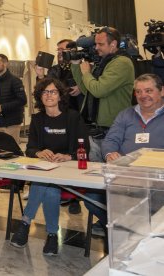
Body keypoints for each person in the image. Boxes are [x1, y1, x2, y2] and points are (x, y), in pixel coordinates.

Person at [10, 78, 89, 256]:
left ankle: (25, 223)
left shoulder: (73, 117)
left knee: (44, 184)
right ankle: (52, 235)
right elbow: (30, 148)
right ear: (40, 96)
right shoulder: (37, 119)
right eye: (45, 92)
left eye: (53, 91)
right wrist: (38, 152)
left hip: (68, 170)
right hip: (45, 170)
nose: (49, 95)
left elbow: (85, 149)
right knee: (49, 187)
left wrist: (68, 156)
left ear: (60, 95)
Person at [84, 73, 164, 233]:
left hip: (157, 180)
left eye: (148, 90)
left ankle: (139, 232)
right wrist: (109, 153)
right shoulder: (126, 114)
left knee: (149, 205)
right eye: (139, 92)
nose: (143, 96)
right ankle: (128, 229)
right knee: (92, 197)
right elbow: (110, 140)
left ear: (161, 91)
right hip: (125, 176)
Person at [71, 27, 134, 162]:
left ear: (113, 44)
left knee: (114, 174)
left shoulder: (122, 62)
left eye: (100, 44)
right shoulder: (103, 62)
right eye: (95, 44)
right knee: (94, 176)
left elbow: (99, 90)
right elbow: (86, 89)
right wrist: (76, 66)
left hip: (113, 130)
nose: (96, 48)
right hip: (94, 130)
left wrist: (87, 73)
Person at [35, 39, 85, 214]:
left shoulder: (82, 66)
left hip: (77, 115)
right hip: (55, 116)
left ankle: (75, 198)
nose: (59, 53)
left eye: (62, 50)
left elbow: (93, 87)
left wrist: (82, 84)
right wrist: (41, 76)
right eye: (58, 50)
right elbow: (47, 88)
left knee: (74, 153)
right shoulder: (55, 69)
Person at [0, 53, 27, 144]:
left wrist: (2, 107)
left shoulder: (15, 80)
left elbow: (22, 100)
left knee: (12, 151)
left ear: (5, 64)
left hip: (12, 123)